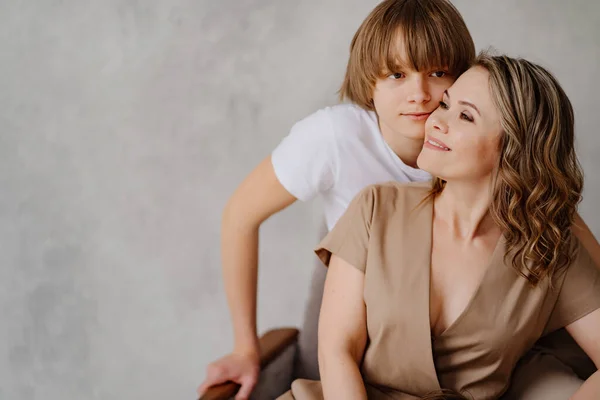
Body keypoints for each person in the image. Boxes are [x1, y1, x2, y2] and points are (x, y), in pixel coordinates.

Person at [279, 54, 600, 399]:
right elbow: (336, 350)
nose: (435, 121)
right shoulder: (376, 208)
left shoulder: (548, 247)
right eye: (445, 104)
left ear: (513, 149)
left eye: (465, 115)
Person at [198, 1, 475, 398]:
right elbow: (239, 217)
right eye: (397, 74)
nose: (419, 94)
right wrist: (246, 346)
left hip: (444, 335)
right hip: (350, 328)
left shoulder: (479, 142)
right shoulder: (334, 138)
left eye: (437, 72)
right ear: (369, 82)